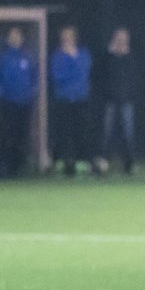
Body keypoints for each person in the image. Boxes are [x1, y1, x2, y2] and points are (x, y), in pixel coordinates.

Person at [0, 26, 38, 177]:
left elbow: (35, 78)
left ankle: (20, 167)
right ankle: (4, 167)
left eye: (17, 35)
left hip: (25, 103)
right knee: (6, 135)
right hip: (7, 103)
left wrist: (30, 93)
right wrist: (1, 94)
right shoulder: (1, 56)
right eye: (11, 35)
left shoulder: (28, 56)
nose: (14, 38)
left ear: (22, 38)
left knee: (22, 135)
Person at [49, 25, 94, 176]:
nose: (67, 39)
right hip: (63, 99)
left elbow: (84, 73)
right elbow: (58, 76)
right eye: (64, 36)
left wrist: (73, 59)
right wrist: (68, 60)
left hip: (81, 99)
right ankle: (64, 163)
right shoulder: (57, 56)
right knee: (64, 133)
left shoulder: (83, 54)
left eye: (70, 36)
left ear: (75, 38)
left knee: (82, 132)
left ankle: (83, 162)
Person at [96, 27, 137, 175]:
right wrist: (111, 54)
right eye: (119, 38)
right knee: (107, 133)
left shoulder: (130, 57)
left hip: (126, 102)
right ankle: (103, 162)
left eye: (124, 38)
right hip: (110, 101)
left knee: (128, 133)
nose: (121, 41)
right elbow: (101, 75)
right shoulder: (108, 57)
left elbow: (132, 78)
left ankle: (129, 164)